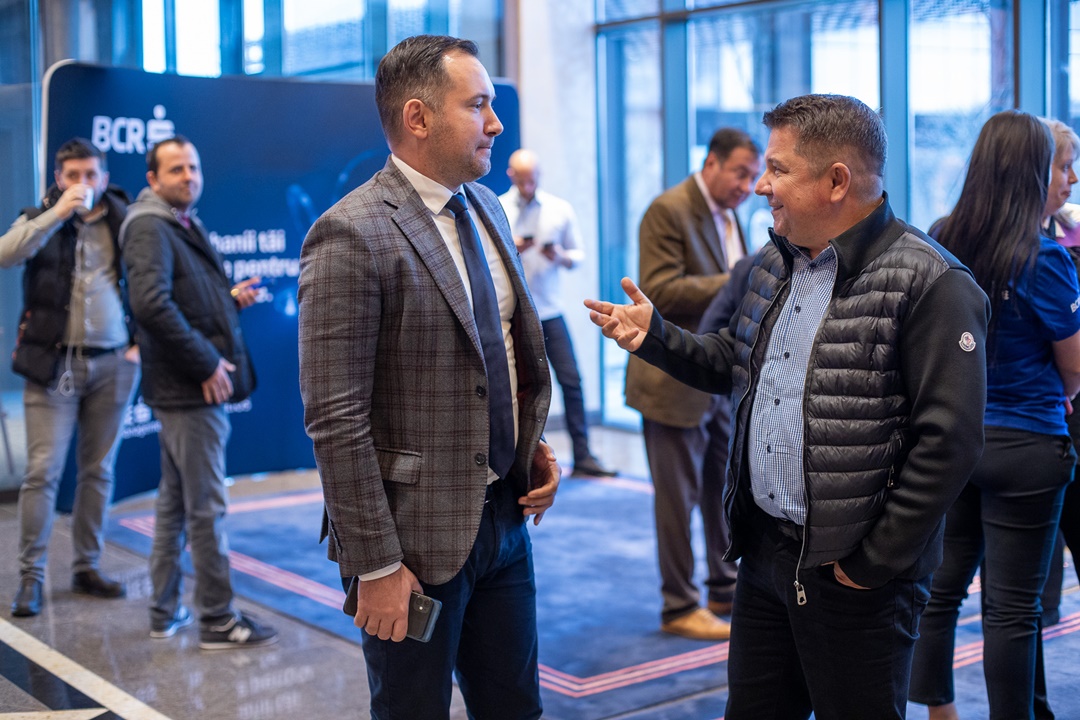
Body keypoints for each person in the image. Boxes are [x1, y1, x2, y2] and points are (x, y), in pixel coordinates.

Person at [585, 94, 989, 720]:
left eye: (777, 169)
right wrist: (656, 338)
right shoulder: (775, 261)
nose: (760, 186)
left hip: (855, 573)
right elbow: (735, 359)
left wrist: (873, 561)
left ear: (836, 181)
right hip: (767, 556)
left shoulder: (932, 282)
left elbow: (950, 441)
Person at [297, 35, 561, 720]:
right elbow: (336, 417)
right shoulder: (350, 233)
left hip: (504, 520)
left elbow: (493, 357)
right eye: (478, 106)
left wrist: (526, 444)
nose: (495, 124)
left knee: (517, 709)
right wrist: (376, 564)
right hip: (410, 545)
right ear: (417, 117)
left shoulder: (488, 208)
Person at [906, 111, 1080, 720]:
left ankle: (939, 712)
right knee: (1012, 609)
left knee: (941, 589)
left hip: (955, 441)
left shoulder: (940, 237)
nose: (1070, 178)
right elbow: (1075, 367)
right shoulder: (1045, 258)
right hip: (1027, 445)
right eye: (1060, 166)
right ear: (1031, 173)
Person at [120, 135, 277, 649]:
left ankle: (164, 611)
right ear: (153, 179)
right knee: (207, 508)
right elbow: (150, 304)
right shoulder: (150, 225)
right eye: (176, 169)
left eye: (193, 167)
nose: (188, 176)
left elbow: (182, 298)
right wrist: (206, 361)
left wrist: (229, 299)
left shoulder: (179, 222)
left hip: (184, 390)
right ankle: (217, 618)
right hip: (190, 391)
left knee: (175, 506)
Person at [625, 127, 760, 641]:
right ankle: (678, 605)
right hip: (671, 381)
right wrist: (741, 278)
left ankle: (723, 588)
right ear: (711, 163)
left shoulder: (730, 215)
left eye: (753, 176)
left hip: (717, 378)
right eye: (740, 173)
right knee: (676, 501)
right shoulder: (669, 210)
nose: (748, 186)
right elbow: (658, 290)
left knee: (721, 491)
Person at [1, 138, 140, 617]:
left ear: (104, 177)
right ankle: (31, 577)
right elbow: (6, 254)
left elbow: (152, 277)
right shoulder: (40, 216)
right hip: (52, 366)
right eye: (73, 175)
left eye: (90, 174)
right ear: (59, 178)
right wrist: (57, 213)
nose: (83, 183)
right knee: (42, 473)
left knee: (98, 471)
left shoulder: (124, 218)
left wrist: (138, 344)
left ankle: (87, 566)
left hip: (114, 364)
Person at [499, 148, 616, 478]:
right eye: (522, 180)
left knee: (571, 381)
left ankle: (583, 456)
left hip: (549, 311)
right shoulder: (497, 207)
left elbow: (577, 256)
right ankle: (518, 462)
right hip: (512, 314)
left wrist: (559, 255)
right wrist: (512, 249)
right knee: (513, 387)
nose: (528, 186)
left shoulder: (558, 209)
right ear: (511, 176)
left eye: (533, 179)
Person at [1040, 117, 1080, 632]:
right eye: (1064, 166)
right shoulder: (1038, 248)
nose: (1072, 179)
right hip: (1045, 409)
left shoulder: (1073, 229)